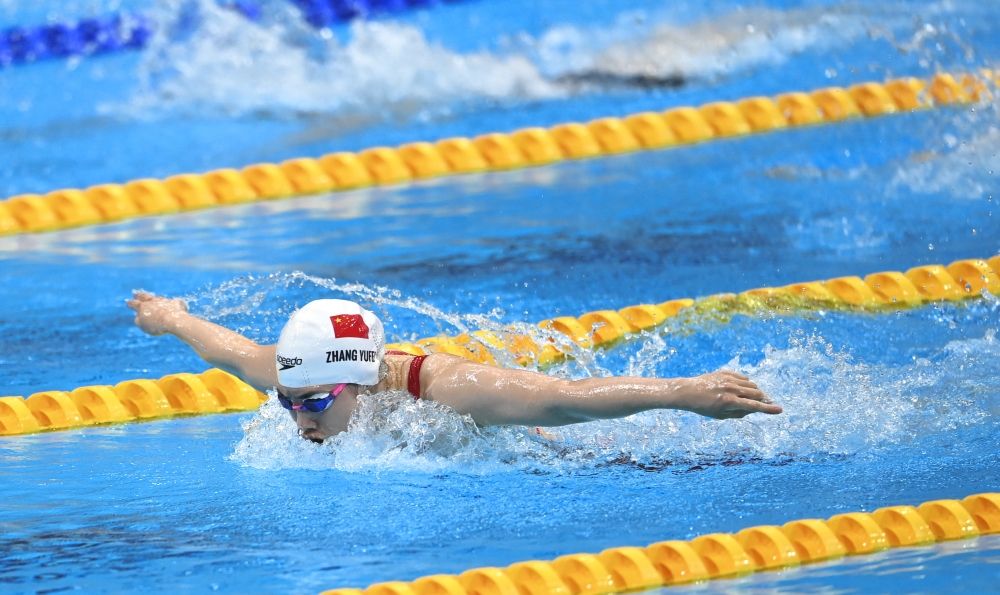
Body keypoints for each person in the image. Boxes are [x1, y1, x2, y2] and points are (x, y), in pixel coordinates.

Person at [127, 292, 782, 443]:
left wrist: (682, 391)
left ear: (358, 381)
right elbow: (226, 348)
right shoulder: (299, 372)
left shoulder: (451, 389)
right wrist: (170, 317)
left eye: (311, 403)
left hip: (538, 454)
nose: (297, 416)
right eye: (285, 401)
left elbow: (565, 398)